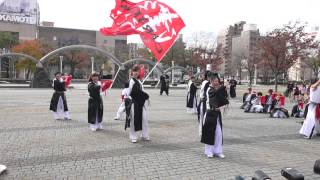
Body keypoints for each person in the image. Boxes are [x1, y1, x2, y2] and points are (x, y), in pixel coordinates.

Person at [201, 72, 229, 158]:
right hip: (210, 113)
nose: (217, 82)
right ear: (211, 81)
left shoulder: (215, 89)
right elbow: (215, 94)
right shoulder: (210, 90)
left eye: (218, 81)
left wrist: (225, 89)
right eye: (215, 81)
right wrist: (223, 86)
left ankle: (218, 151)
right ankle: (208, 151)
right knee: (209, 133)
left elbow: (221, 96)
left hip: (216, 114)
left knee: (219, 133)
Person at [126, 65, 150, 143]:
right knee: (133, 120)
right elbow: (129, 93)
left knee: (144, 119)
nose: (136, 72)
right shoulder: (130, 81)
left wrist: (145, 96)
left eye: (138, 71)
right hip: (134, 103)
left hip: (140, 102)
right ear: (132, 72)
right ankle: (133, 136)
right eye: (135, 71)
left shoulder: (139, 81)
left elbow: (141, 91)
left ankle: (144, 135)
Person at [198, 71, 210, 137]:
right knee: (204, 118)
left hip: (202, 102)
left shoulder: (204, 82)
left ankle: (202, 132)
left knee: (202, 118)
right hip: (205, 103)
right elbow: (206, 94)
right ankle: (204, 133)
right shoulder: (207, 83)